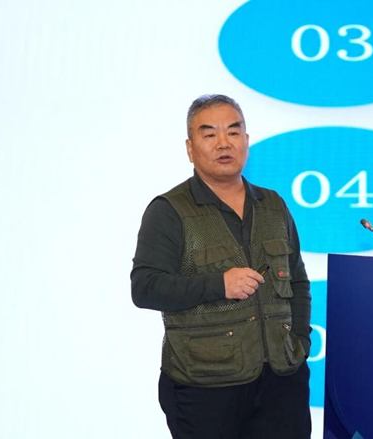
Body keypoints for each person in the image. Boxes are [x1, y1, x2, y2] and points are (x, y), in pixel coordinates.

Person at [130, 94, 312, 439]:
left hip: (281, 381)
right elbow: (145, 288)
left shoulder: (273, 204)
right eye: (210, 134)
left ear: (246, 141)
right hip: (205, 386)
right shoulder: (169, 210)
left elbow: (299, 283)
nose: (223, 143)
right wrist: (218, 285)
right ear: (190, 147)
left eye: (233, 131)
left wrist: (301, 343)